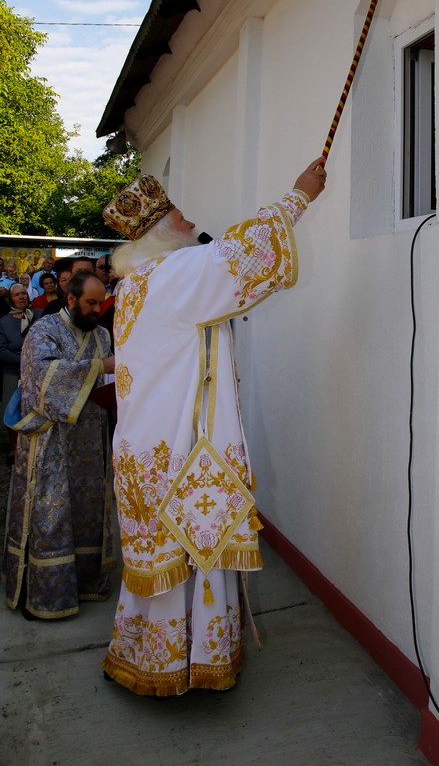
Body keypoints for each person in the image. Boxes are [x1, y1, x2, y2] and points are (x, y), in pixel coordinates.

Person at [100, 161, 326, 696]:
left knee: (162, 562)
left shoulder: (136, 285)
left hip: (144, 447)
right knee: (189, 553)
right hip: (178, 450)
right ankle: (185, 665)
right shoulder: (169, 276)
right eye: (177, 213)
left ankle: (148, 657)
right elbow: (237, 258)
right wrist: (299, 196)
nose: (188, 218)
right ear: (158, 229)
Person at [3, 272, 116, 620]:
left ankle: (84, 583)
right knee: (50, 518)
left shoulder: (102, 334)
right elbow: (42, 382)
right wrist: (98, 367)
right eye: (90, 303)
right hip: (49, 444)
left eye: (100, 303)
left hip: (89, 442)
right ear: (71, 300)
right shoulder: (43, 331)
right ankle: (44, 595)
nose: (98, 309)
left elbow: (110, 379)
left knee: (86, 514)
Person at [0, 284, 39, 465]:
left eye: (24, 293)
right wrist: (22, 360)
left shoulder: (38, 316)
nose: (21, 297)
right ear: (11, 298)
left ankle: (34, 447)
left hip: (37, 370)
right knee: (12, 409)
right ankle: (13, 448)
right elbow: (1, 348)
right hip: (13, 371)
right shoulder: (3, 322)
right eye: (17, 294)